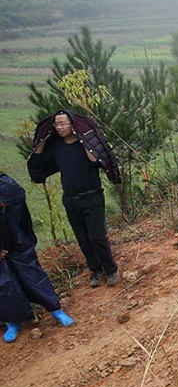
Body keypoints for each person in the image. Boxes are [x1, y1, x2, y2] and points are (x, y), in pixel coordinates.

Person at [27, 109, 121, 288]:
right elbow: (38, 163)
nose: (60, 127)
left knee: (97, 237)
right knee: (83, 238)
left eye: (63, 124)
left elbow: (97, 162)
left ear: (73, 125)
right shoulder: (56, 146)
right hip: (70, 199)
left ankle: (111, 269)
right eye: (56, 124)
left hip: (92, 197)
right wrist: (42, 139)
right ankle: (95, 270)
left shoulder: (83, 144)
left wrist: (84, 139)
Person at [0, 173, 73, 343]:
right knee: (4, 287)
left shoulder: (7, 184)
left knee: (33, 276)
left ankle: (56, 310)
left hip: (18, 243)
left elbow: (21, 218)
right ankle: (12, 322)